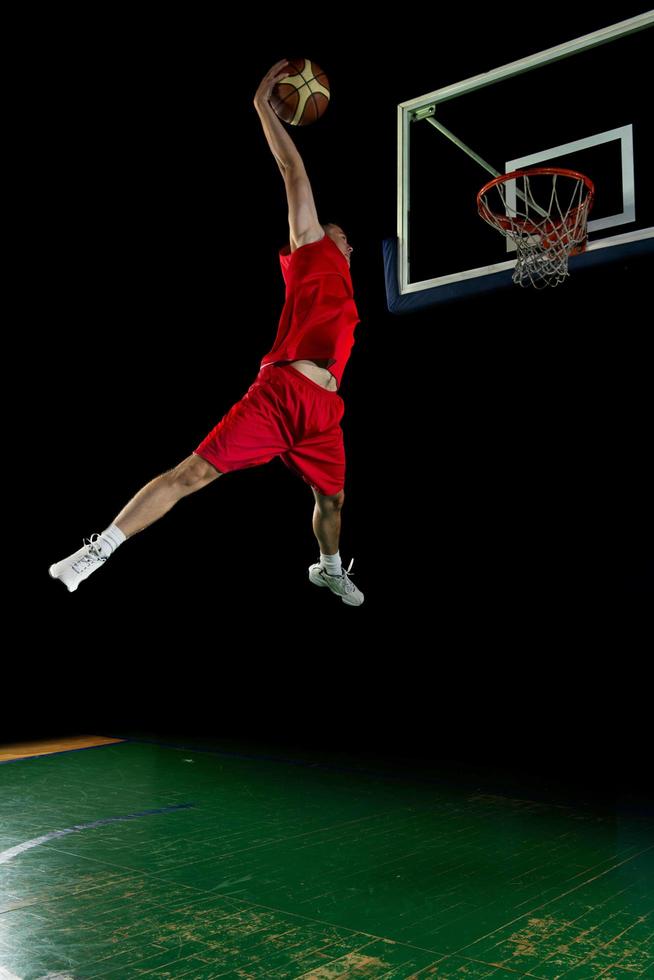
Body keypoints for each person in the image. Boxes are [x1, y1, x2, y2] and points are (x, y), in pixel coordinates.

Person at [49, 59, 364, 606]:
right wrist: (264, 109)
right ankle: (96, 551)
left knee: (333, 501)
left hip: (324, 414)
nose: (349, 239)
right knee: (190, 474)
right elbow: (293, 173)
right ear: (318, 236)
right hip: (281, 395)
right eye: (343, 232)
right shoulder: (311, 250)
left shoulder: (345, 287)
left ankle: (329, 568)